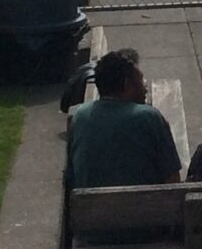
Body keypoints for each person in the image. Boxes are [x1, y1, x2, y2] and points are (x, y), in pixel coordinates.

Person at [66, 49, 182, 191]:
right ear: (127, 84)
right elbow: (173, 180)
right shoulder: (149, 117)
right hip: (142, 204)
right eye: (141, 81)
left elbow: (72, 175)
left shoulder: (80, 116)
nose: (145, 88)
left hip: (88, 204)